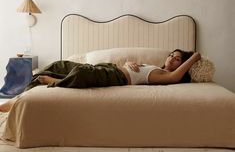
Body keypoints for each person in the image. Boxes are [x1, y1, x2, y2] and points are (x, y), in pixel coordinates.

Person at [0, 49, 201, 113]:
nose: (173, 59)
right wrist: (132, 61)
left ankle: (51, 81)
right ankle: (22, 96)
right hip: (108, 68)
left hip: (115, 78)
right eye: (172, 55)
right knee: (59, 64)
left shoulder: (166, 77)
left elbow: (175, 76)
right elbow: (140, 70)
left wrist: (194, 57)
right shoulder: (156, 67)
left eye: (178, 59)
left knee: (80, 73)